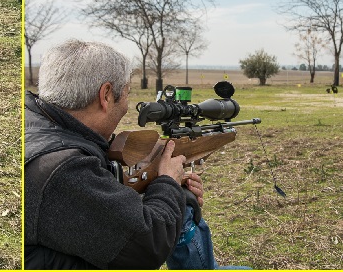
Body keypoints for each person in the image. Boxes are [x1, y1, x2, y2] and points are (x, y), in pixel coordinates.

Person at [25, 39, 245, 269]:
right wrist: (167, 183)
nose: (127, 105)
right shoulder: (64, 169)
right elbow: (146, 248)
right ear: (106, 94)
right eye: (128, 94)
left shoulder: (35, 125)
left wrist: (156, 183)